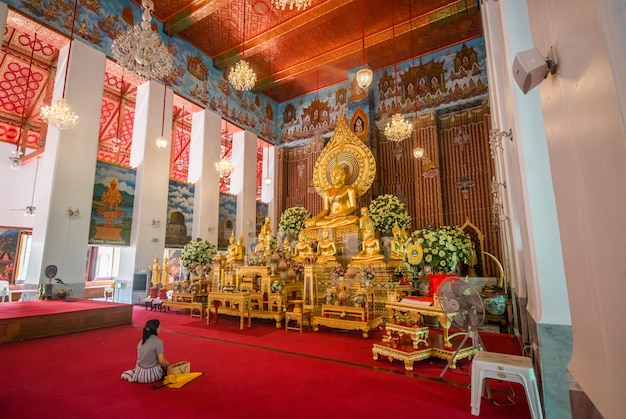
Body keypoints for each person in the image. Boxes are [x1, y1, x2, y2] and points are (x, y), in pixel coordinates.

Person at [121, 319, 169, 383]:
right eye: (159, 326)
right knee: (164, 366)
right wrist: (167, 364)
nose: (161, 327)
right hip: (151, 375)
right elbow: (161, 362)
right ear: (156, 329)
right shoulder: (158, 342)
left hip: (139, 373)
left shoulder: (142, 341)